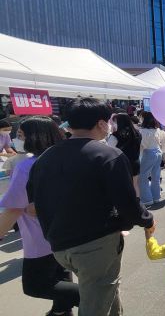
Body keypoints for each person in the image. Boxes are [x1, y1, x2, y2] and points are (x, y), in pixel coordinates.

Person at [27, 98, 154, 316]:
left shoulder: (45, 157)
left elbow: (33, 204)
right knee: (96, 304)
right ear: (101, 124)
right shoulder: (107, 155)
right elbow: (127, 203)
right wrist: (147, 220)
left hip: (58, 243)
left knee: (106, 292)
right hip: (95, 244)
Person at [0, 117, 79, 316]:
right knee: (60, 275)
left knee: (36, 285)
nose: (15, 140)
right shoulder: (65, 158)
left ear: (35, 137)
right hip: (67, 234)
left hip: (39, 238)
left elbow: (13, 208)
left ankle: (94, 294)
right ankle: (61, 310)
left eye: (20, 136)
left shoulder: (26, 166)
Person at [108, 113, 142, 196]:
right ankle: (137, 204)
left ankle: (127, 205)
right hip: (135, 161)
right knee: (135, 184)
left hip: (121, 163)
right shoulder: (137, 133)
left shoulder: (115, 135)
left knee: (123, 185)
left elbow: (109, 148)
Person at [138, 112, 164, 206]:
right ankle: (156, 197)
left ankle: (147, 199)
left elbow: (142, 145)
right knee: (156, 176)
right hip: (158, 151)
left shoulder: (142, 131)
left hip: (148, 152)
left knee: (143, 177)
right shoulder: (156, 129)